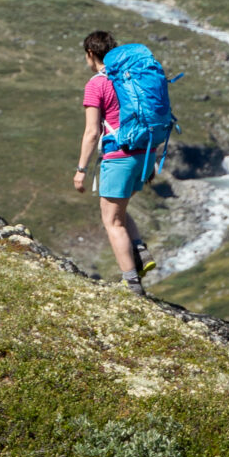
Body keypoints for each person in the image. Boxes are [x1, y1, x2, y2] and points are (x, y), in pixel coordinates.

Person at [70, 30, 152, 294]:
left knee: (112, 221)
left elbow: (92, 132)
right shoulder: (132, 76)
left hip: (119, 156)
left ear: (91, 54)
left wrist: (81, 169)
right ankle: (140, 251)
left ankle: (132, 287)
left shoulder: (97, 83)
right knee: (119, 209)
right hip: (143, 154)